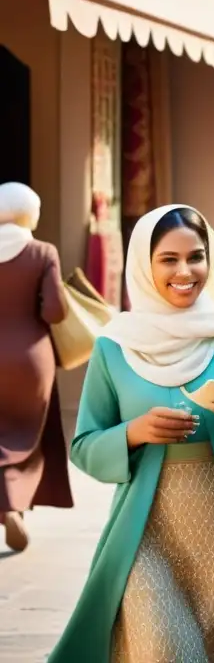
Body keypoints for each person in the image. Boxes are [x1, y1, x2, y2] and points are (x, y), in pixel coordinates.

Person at [50, 205, 214, 662]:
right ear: (144, 264)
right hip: (144, 530)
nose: (186, 271)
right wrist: (134, 432)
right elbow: (84, 446)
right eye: (168, 259)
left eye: (196, 257)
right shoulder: (115, 345)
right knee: (167, 651)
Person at [0, 182, 71, 553]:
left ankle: (7, 506)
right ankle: (12, 505)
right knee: (25, 438)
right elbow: (54, 312)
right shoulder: (41, 251)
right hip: (30, 360)